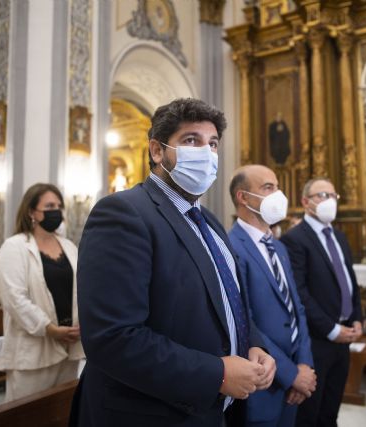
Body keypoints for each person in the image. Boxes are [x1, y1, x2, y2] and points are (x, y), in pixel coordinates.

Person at [70, 98, 276, 427]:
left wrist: (254, 343)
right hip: (148, 413)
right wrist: (218, 373)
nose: (206, 154)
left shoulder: (209, 221)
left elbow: (228, 301)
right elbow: (112, 338)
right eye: (191, 140)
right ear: (157, 151)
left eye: (212, 144)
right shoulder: (123, 214)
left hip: (209, 411)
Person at [228, 165, 316, 427]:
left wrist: (304, 364)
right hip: (264, 380)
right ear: (243, 197)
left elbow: (296, 309)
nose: (278, 194)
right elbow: (245, 321)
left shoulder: (278, 246)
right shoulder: (232, 247)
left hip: (295, 376)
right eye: (268, 188)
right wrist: (291, 376)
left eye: (277, 187)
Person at [281, 178, 363, 427]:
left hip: (344, 337)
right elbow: (300, 294)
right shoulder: (295, 239)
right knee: (311, 414)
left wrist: (357, 317)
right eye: (321, 195)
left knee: (331, 409)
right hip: (317, 340)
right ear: (306, 202)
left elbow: (349, 279)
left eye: (332, 196)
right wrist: (331, 329)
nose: (329, 201)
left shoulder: (339, 235)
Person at [0, 183, 84, 402]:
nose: (56, 211)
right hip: (32, 350)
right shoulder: (14, 247)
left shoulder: (69, 247)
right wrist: (50, 329)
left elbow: (81, 289)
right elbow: (15, 299)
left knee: (60, 412)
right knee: (27, 416)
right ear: (32, 212)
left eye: (59, 206)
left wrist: (79, 325)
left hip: (69, 344)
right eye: (49, 205)